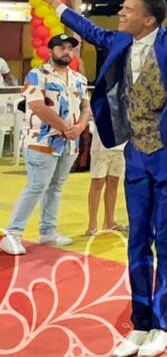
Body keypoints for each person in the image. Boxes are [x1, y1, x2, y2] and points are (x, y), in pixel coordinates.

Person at [18, 0, 167, 357]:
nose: (120, 12)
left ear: (148, 18)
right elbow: (85, 25)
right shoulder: (119, 41)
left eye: (128, 9)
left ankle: (162, 325)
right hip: (136, 155)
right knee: (137, 241)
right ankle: (140, 323)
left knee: (166, 241)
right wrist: (51, 0)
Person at [0, 34, 90, 256]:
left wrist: (79, 127)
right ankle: (13, 233)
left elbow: (86, 106)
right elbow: (37, 106)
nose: (67, 51)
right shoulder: (37, 75)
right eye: (62, 47)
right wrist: (64, 127)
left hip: (69, 143)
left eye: (70, 48)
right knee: (37, 186)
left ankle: (48, 230)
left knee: (56, 186)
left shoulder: (79, 78)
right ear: (51, 51)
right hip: (42, 140)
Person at [85, 121, 128, 236]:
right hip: (101, 145)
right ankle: (92, 225)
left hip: (121, 145)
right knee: (97, 183)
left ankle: (109, 221)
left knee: (114, 182)